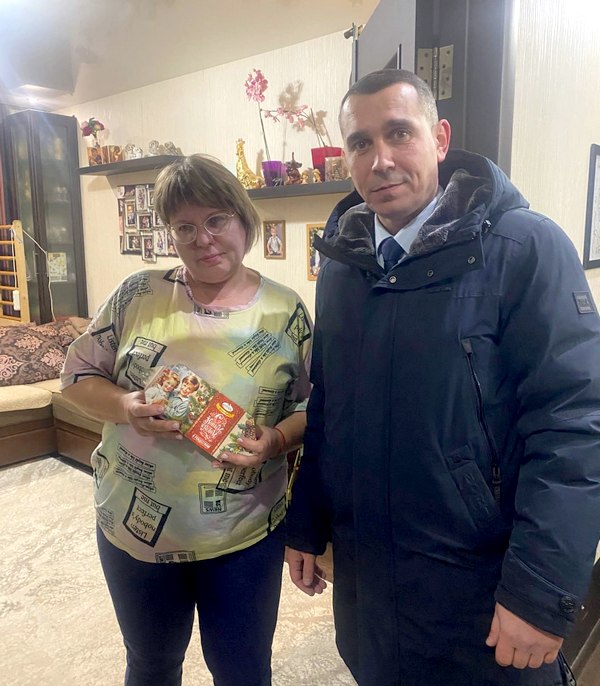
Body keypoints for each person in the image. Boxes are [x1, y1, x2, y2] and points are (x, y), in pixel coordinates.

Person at [285, 68, 600, 686]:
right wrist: (307, 521)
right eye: (360, 143)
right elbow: (329, 407)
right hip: (370, 590)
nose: (381, 160)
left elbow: (573, 426)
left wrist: (540, 592)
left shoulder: (524, 247)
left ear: (440, 138)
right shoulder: (343, 265)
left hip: (485, 589)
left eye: (399, 133)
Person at [61, 153, 312, 686]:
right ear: (170, 234)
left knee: (243, 672)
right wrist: (126, 407)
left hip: (243, 534)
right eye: (185, 227)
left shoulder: (285, 312)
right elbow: (77, 376)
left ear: (243, 217)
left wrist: (274, 440)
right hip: (136, 531)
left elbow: (316, 408)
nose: (204, 239)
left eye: (216, 219)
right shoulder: (138, 294)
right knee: (151, 665)